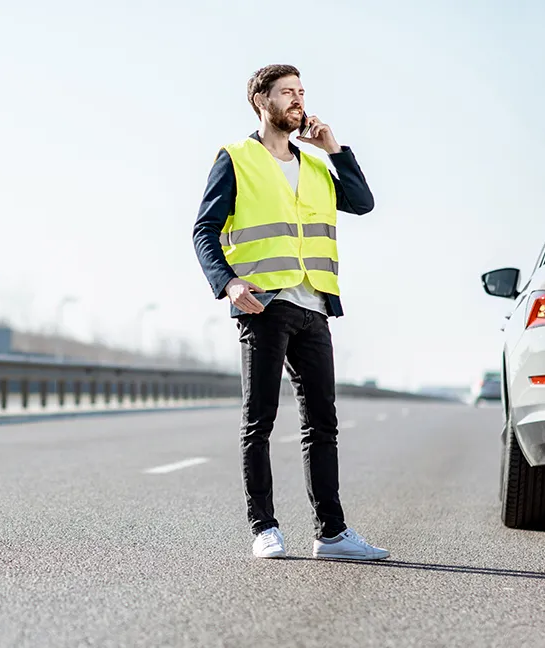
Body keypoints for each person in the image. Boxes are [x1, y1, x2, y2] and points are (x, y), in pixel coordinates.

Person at [192, 64, 389, 561]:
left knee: (323, 424)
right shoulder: (236, 158)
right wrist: (228, 283)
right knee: (259, 420)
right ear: (262, 102)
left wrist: (334, 147)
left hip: (314, 305)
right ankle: (264, 528)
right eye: (287, 93)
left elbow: (363, 203)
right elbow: (204, 230)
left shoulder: (319, 164)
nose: (298, 101)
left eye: (302, 92)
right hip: (265, 303)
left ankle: (332, 534)